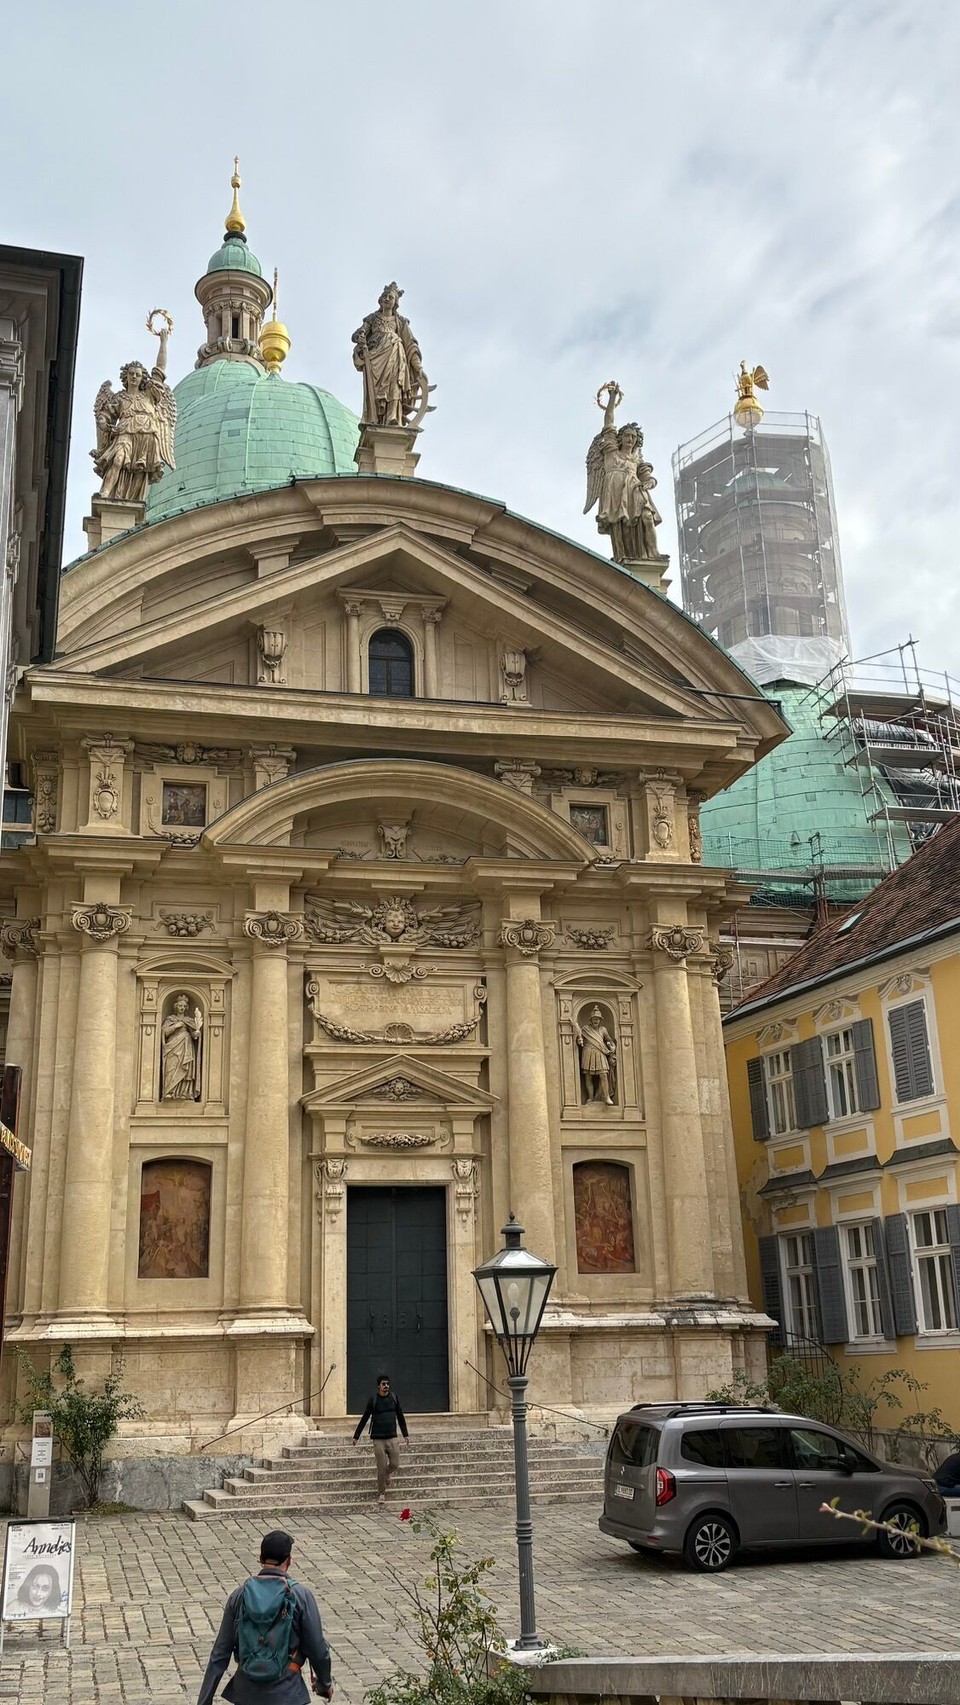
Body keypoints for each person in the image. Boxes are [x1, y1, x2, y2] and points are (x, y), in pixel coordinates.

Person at [196, 1529, 334, 1705]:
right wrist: (324, 1684)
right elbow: (317, 1649)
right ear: (289, 1561)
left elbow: (219, 1654)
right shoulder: (300, 1596)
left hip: (245, 1694)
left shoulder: (239, 1596)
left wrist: (204, 1701)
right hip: (287, 1693)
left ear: (261, 1559)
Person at [352, 1373, 409, 1504]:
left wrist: (405, 1434)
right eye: (383, 1384)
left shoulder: (394, 1398)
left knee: (395, 1463)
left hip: (392, 1437)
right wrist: (356, 1436)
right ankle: (381, 1493)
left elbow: (400, 1416)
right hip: (378, 1439)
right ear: (379, 1386)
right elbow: (365, 1418)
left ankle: (387, 1473)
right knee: (381, 1467)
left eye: (388, 1384)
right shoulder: (373, 1400)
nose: (386, 1386)